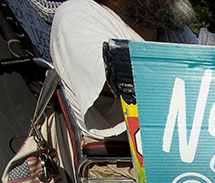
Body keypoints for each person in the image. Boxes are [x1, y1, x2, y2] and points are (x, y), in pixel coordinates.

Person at [51, 0, 198, 142]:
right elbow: (118, 80)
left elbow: (212, 69)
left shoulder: (171, 30)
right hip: (117, 159)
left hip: (183, 149)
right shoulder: (77, 14)